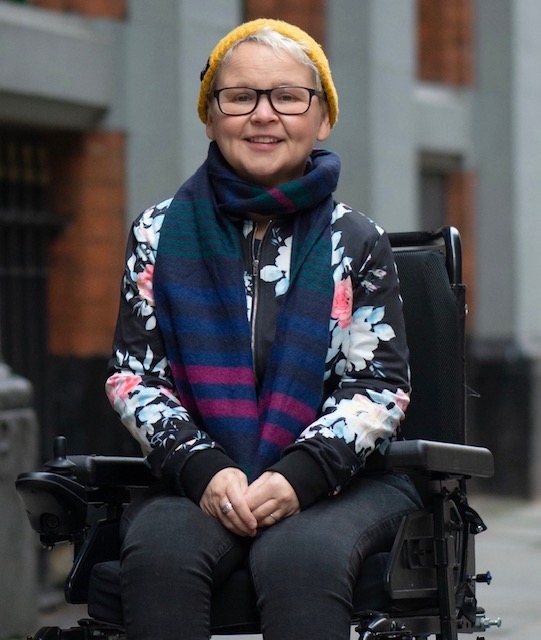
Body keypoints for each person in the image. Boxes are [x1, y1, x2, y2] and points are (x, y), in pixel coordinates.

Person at [105, 17, 422, 640]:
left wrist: (297, 474)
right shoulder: (156, 234)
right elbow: (133, 379)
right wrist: (204, 468)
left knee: (300, 558)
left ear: (322, 117)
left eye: (288, 96)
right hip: (199, 469)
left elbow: (378, 388)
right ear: (211, 116)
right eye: (240, 97)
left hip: (337, 479)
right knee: (162, 558)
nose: (263, 115)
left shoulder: (357, 241)